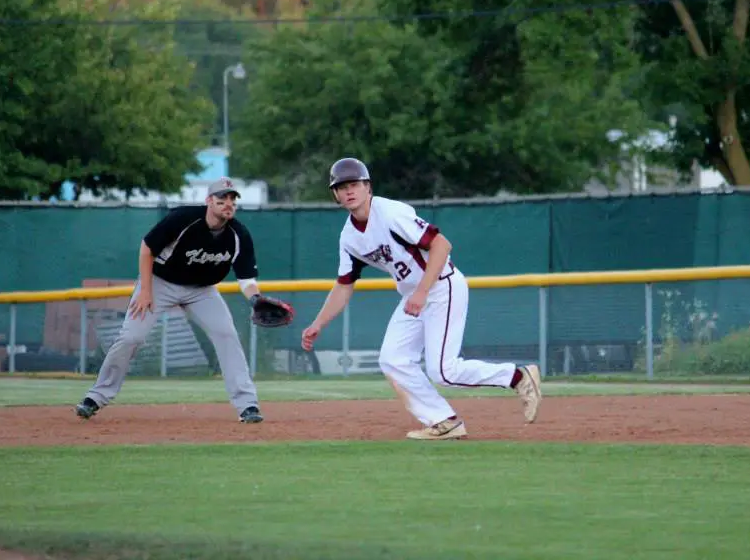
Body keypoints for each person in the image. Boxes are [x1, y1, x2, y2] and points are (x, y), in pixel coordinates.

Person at [301, 158, 542, 440]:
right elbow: (344, 285)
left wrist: (422, 292)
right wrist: (318, 323)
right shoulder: (349, 238)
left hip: (441, 287)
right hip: (414, 296)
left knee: (444, 371)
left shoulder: (390, 213)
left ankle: (518, 377)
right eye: (342, 187)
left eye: (354, 184)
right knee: (393, 359)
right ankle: (444, 421)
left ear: (368, 187)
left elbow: (442, 245)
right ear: (335, 195)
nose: (349, 191)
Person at [75, 177, 267, 424]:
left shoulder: (239, 234)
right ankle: (96, 397)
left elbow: (246, 278)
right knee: (131, 337)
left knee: (226, 335)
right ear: (209, 201)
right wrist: (146, 291)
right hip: (160, 283)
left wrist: (255, 299)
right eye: (222, 198)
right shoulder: (183, 219)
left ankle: (247, 405)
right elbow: (147, 248)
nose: (228, 203)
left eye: (232, 198)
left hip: (201, 291)